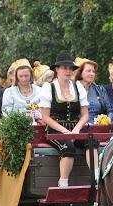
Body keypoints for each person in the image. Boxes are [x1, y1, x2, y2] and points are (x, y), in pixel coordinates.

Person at [38, 51, 90, 187]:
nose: (68, 71)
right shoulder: (49, 87)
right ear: (57, 69)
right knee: (68, 146)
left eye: (70, 68)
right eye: (64, 68)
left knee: (91, 143)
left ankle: (96, 180)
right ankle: (63, 183)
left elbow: (85, 114)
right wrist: (65, 131)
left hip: (75, 127)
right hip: (55, 129)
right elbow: (45, 117)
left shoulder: (78, 86)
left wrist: (77, 129)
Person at [74, 58, 113, 124]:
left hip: (98, 128)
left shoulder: (100, 90)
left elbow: (110, 110)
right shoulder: (72, 89)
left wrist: (107, 120)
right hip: (78, 128)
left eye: (93, 71)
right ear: (80, 72)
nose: (92, 74)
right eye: (88, 71)